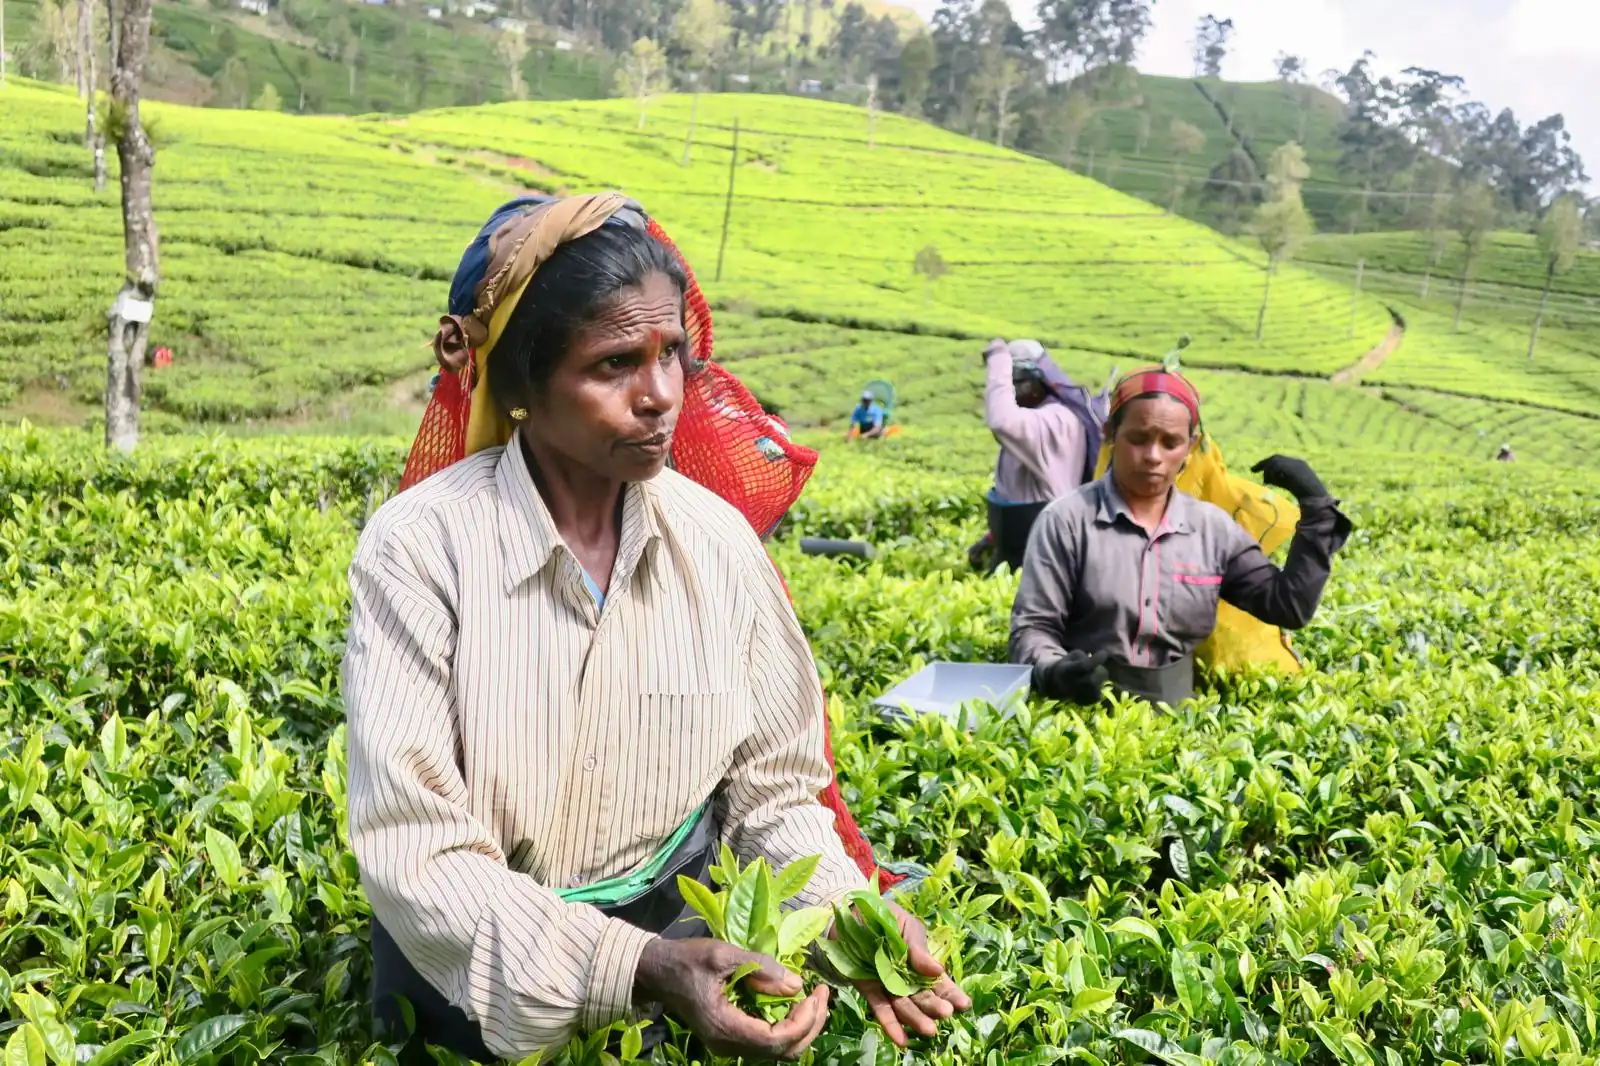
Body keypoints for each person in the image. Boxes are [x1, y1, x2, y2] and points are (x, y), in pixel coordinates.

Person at [343, 193, 968, 1065]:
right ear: (521, 383)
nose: (660, 395)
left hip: (686, 946)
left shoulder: (715, 543)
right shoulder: (421, 549)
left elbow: (773, 792)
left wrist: (844, 917)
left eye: (671, 352)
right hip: (471, 972)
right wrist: (638, 967)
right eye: (613, 365)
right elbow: (418, 849)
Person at [1008, 364, 1352, 708]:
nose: (1153, 456)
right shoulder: (1066, 521)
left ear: (1191, 446)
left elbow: (1287, 606)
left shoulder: (1212, 530)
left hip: (1181, 722)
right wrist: (1056, 672)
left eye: (1170, 442)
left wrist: (1317, 509)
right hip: (1083, 722)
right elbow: (1032, 628)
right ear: (1111, 433)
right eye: (1138, 438)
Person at [970, 339, 1104, 572]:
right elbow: (1019, 489)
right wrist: (993, 538)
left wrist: (998, 359)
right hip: (1017, 546)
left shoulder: (1056, 420)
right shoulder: (1033, 418)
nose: (1010, 393)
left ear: (1035, 383)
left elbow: (1001, 421)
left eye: (1015, 384)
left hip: (1043, 553)